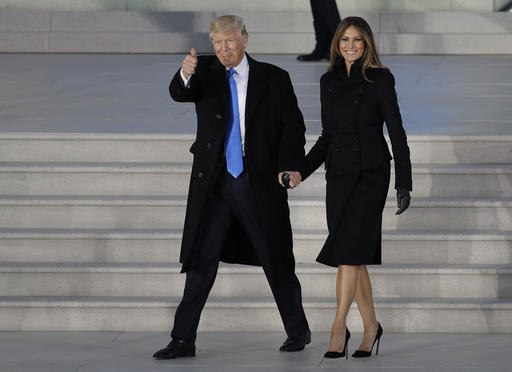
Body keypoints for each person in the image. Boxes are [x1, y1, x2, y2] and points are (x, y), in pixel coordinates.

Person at [153, 15, 310, 360]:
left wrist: (290, 166)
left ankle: (298, 331)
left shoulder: (273, 78)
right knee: (201, 261)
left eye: (229, 41)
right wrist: (186, 72)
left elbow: (291, 127)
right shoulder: (204, 72)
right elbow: (180, 93)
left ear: (244, 40)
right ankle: (182, 339)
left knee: (276, 257)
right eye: (217, 43)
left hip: (257, 183)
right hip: (214, 184)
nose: (223, 49)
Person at [301, 16, 412, 359]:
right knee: (354, 255)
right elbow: (327, 136)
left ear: (367, 44)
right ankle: (371, 325)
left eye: (357, 40)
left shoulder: (380, 79)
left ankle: (337, 328)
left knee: (348, 254)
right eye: (345, 39)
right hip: (339, 177)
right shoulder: (328, 80)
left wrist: (403, 183)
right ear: (337, 43)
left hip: (370, 176)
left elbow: (396, 133)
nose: (350, 45)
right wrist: (299, 172)